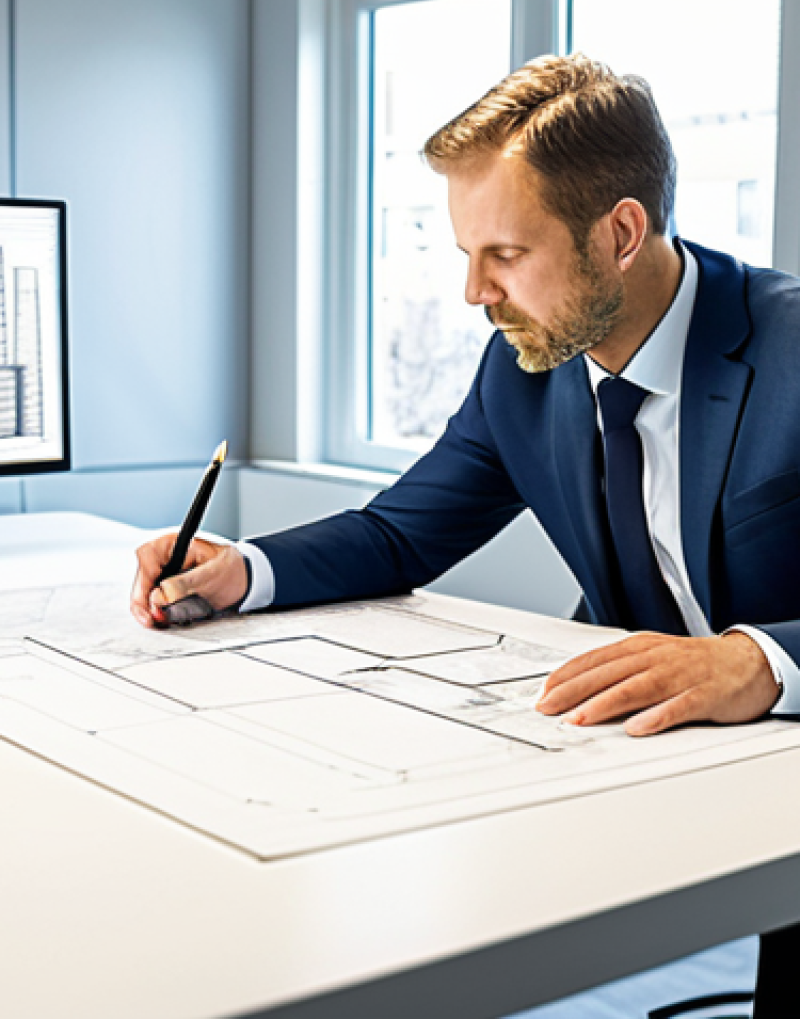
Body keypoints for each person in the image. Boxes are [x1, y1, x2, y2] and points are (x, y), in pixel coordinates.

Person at [131, 55, 800, 1011]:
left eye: (507, 256)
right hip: (664, 765)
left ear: (619, 232)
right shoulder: (528, 366)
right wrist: (243, 569)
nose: (475, 295)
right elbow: (402, 533)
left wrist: (762, 663)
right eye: (465, 257)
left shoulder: (789, 348)